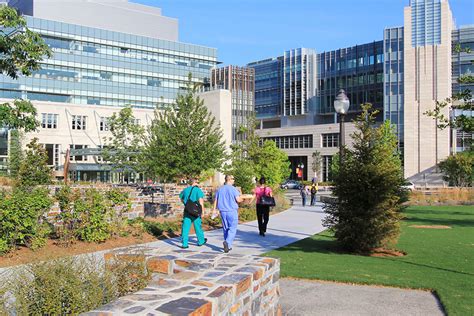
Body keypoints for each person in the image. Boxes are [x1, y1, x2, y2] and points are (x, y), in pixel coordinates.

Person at [212, 175, 243, 253]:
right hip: (231, 211)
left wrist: (214, 209)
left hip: (222, 211)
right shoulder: (233, 189)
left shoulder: (220, 189)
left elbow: (216, 200)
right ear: (229, 179)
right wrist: (243, 198)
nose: (234, 180)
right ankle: (227, 242)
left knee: (226, 229)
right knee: (232, 228)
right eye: (233, 179)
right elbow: (238, 200)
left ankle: (228, 246)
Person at [179, 178, 207, 249]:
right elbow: (201, 201)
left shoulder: (185, 190)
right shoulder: (198, 190)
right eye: (197, 182)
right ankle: (201, 241)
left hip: (187, 211)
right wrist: (203, 211)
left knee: (185, 227)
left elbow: (181, 198)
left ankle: (184, 244)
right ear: (194, 183)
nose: (198, 184)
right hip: (196, 212)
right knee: (198, 227)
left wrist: (186, 204)